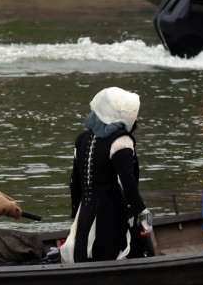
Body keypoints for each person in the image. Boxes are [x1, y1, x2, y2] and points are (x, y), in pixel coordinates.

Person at [62, 87, 154, 263]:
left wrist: (77, 211)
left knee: (86, 256)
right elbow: (127, 182)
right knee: (120, 253)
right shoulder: (121, 140)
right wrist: (142, 215)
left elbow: (75, 182)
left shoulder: (82, 139)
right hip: (110, 217)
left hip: (86, 213)